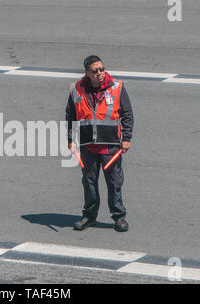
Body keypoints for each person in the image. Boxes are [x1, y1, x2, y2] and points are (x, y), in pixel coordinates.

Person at [66, 55, 134, 232]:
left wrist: (126, 138)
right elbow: (70, 116)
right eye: (95, 71)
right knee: (89, 182)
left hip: (110, 146)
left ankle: (119, 217)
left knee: (114, 183)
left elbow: (127, 114)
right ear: (87, 73)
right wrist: (70, 139)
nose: (100, 73)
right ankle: (89, 216)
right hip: (87, 145)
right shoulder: (76, 89)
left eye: (102, 69)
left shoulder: (117, 88)